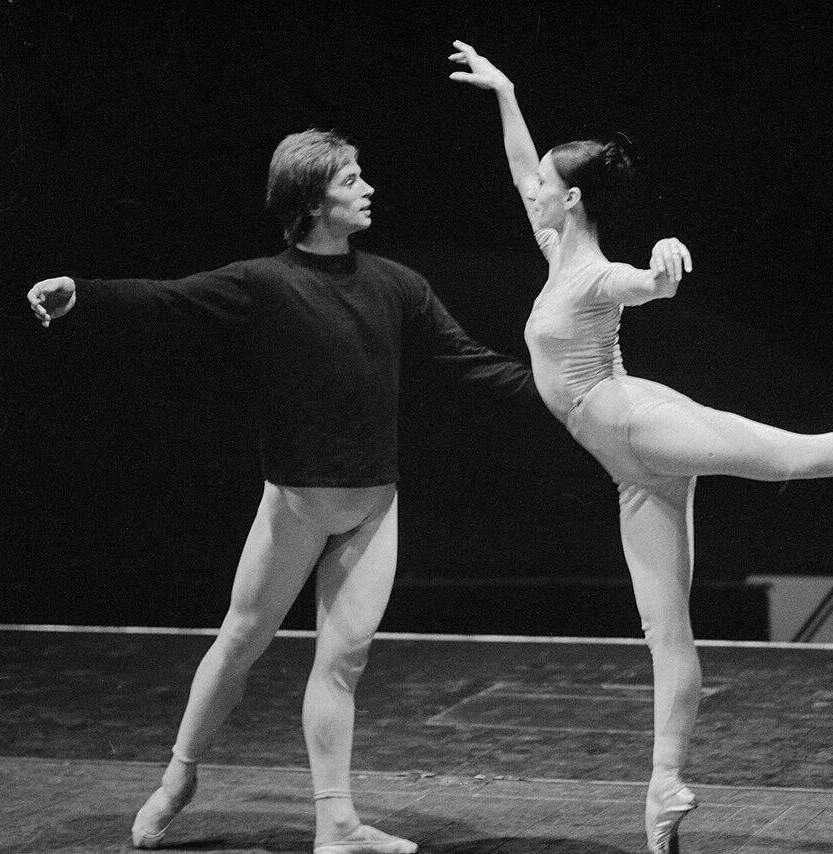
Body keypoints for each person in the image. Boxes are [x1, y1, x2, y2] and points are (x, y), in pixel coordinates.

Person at [447, 40, 833, 854]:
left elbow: (651, 286)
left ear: (573, 201)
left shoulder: (596, 273)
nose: (533, 189)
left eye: (547, 187)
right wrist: (506, 93)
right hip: (626, 470)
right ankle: (664, 792)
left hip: (638, 423)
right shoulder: (556, 245)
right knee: (665, 631)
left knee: (804, 454)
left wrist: (663, 268)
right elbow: (521, 163)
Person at [27, 129, 543, 854]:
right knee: (241, 642)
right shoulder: (263, 283)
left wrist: (564, 395)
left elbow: (467, 361)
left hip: (373, 505)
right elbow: (168, 300)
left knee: (343, 661)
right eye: (350, 179)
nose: (368, 188)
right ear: (310, 200)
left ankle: (336, 823)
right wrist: (81, 293)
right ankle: (179, 778)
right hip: (297, 505)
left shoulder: (398, 284)